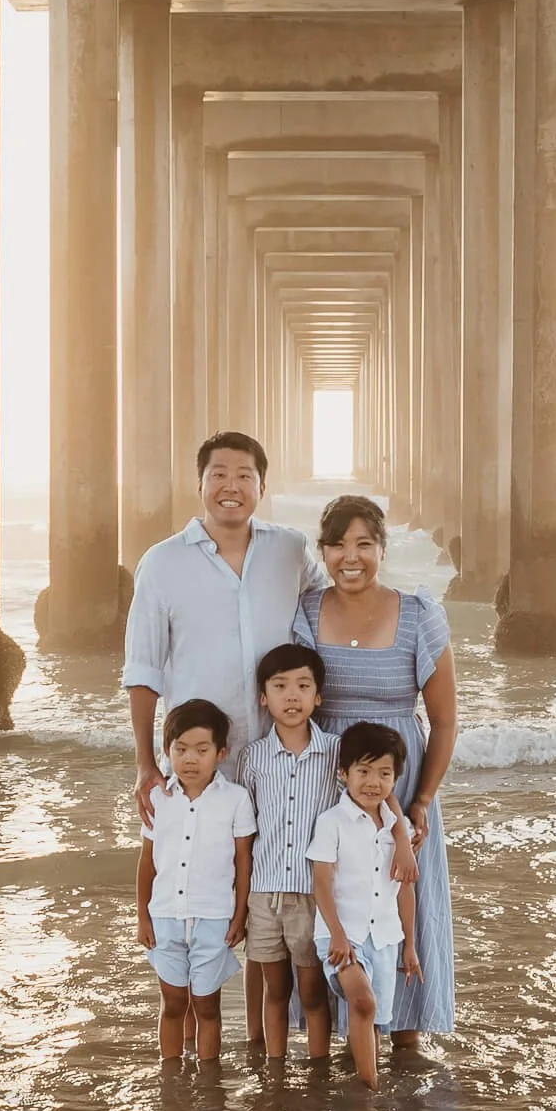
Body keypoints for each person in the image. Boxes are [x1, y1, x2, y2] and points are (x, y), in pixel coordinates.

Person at [124, 431, 325, 1054]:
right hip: (200, 768)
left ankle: (267, 1048)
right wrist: (144, 766)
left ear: (262, 486)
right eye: (218, 474)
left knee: (271, 902)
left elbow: (330, 613)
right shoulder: (163, 562)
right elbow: (143, 668)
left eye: (244, 475)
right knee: (203, 901)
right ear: (200, 483)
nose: (231, 486)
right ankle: (197, 1048)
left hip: (280, 762)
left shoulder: (291, 551)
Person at [293, 494, 459, 1044]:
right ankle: (337, 1037)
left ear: (383, 549)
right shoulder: (307, 611)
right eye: (337, 544)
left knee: (398, 896)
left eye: (364, 543)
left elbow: (444, 721)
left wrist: (419, 803)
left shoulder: (418, 615)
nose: (350, 556)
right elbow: (289, 697)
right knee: (335, 895)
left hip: (398, 778)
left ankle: (406, 1039)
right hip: (329, 780)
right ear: (323, 551)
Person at [135, 699, 255, 1066]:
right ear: (167, 751)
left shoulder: (235, 799)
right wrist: (142, 916)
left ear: (220, 753)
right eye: (180, 749)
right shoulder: (158, 798)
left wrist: (240, 915)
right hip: (166, 916)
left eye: (201, 750)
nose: (190, 759)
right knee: (172, 1002)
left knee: (206, 1005)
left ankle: (208, 1078)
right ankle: (169, 1075)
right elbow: (147, 862)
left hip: (213, 918)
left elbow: (243, 860)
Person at [240, 643, 342, 1063]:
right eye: (279, 686)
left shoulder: (335, 752)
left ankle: (318, 1070)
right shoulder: (254, 757)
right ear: (263, 697)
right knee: (275, 990)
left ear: (318, 695)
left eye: (303, 685)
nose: (291, 696)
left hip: (311, 896)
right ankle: (275, 1075)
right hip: (264, 896)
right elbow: (244, 834)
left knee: (314, 992)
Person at [307, 722, 421, 1089]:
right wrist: (337, 936)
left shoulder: (397, 828)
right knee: (363, 1002)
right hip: (343, 936)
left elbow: (404, 890)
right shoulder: (331, 822)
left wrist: (411, 946)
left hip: (385, 937)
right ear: (344, 774)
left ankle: (366, 1083)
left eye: (384, 774)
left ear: (396, 779)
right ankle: (369, 1091)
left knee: (371, 1018)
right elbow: (320, 883)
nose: (373, 782)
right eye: (364, 771)